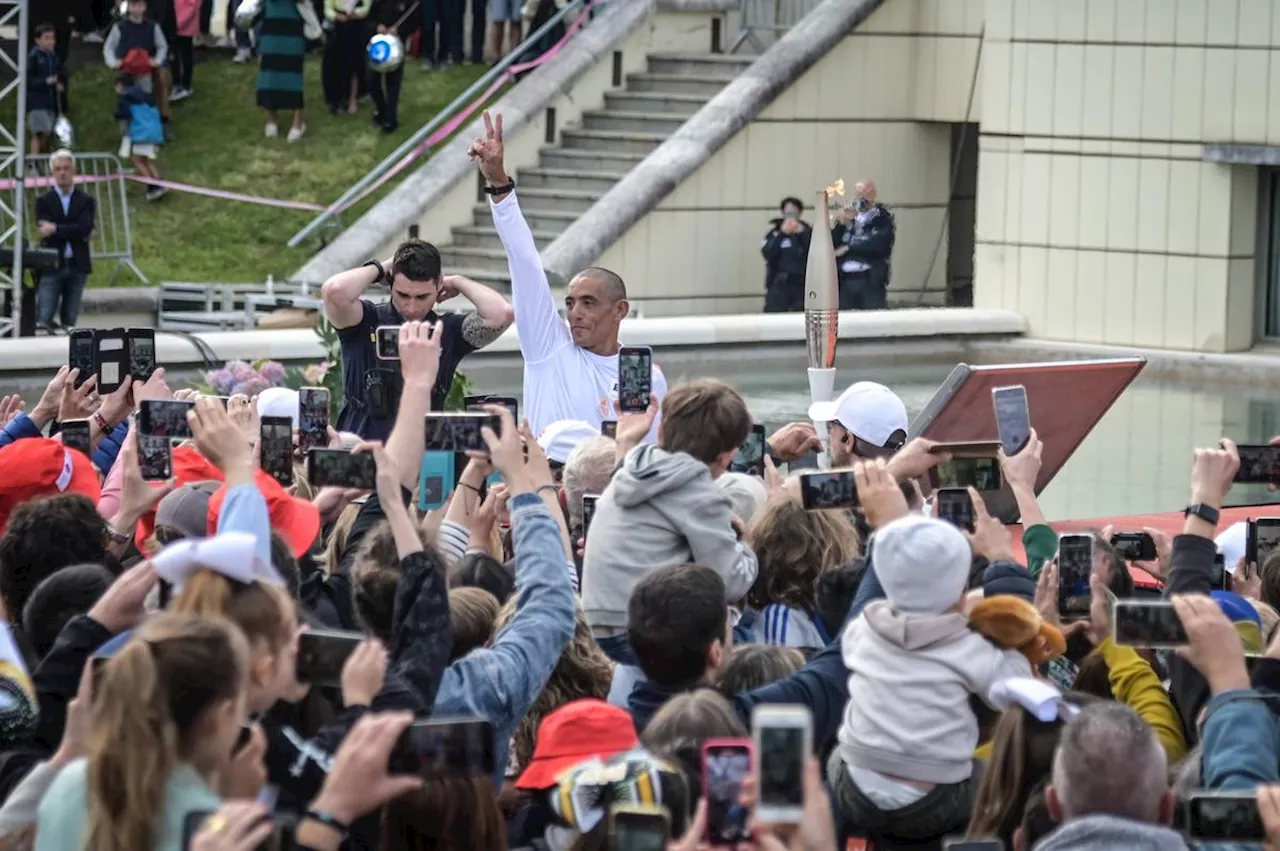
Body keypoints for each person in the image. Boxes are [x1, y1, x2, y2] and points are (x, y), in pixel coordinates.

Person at [469, 111, 668, 439]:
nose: (575, 313)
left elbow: (648, 455)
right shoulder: (548, 343)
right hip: (546, 486)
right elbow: (524, 262)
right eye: (571, 303)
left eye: (589, 303)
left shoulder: (647, 377)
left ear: (620, 310)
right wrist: (499, 183)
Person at [320, 239, 513, 440]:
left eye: (422, 297)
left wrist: (458, 282)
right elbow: (334, 292)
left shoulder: (445, 331)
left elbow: (502, 315)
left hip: (422, 459)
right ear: (391, 282)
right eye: (403, 295)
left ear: (438, 285)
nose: (411, 307)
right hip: (360, 455)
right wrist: (382, 268)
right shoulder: (365, 321)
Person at [34, 150, 97, 332]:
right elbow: (45, 230)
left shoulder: (86, 200)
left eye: (66, 168)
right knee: (44, 315)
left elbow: (85, 228)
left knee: (70, 319)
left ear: (73, 171)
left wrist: (56, 228)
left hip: (78, 264)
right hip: (53, 264)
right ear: (53, 173)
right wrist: (73, 230)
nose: (62, 173)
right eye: (58, 169)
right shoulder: (44, 201)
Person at [832, 179, 895, 310]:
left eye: (864, 192)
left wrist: (849, 248)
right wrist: (840, 224)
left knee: (871, 317)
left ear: (872, 194)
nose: (861, 196)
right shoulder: (851, 219)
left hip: (869, 278)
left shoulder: (882, 218)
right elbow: (833, 246)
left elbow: (878, 244)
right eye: (858, 193)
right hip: (846, 279)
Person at [257, 0, 308, 141]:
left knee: (293, 71)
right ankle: (272, 120)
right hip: (270, 19)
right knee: (269, 71)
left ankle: (298, 123)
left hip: (293, 20)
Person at [113, 73, 168, 201]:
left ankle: (152, 186)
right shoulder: (146, 96)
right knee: (147, 159)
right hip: (155, 131)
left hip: (141, 131)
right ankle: (159, 182)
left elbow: (122, 114)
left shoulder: (125, 97)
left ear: (120, 85)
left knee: (136, 159)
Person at [368, 0, 418, 132]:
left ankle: (390, 119)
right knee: (372, 81)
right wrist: (377, 27)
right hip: (378, 45)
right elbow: (369, 17)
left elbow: (415, 23)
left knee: (393, 85)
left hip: (396, 45)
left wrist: (400, 30)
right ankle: (381, 110)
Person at [761, 196, 811, 313]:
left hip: (801, 283)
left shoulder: (807, 231)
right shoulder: (774, 233)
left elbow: (813, 252)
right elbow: (767, 253)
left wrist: (802, 234)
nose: (790, 213)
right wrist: (781, 234)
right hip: (778, 282)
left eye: (794, 209)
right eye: (787, 210)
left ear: (800, 212)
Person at [322, 0, 370, 115]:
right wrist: (336, 16)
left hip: (356, 26)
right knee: (335, 65)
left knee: (354, 65)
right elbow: (327, 9)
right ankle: (337, 100)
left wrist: (357, 13)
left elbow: (366, 7)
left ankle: (353, 99)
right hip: (337, 27)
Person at [27, 25, 64, 158]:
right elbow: (27, 80)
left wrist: (57, 83)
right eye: (46, 38)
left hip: (50, 101)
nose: (50, 41)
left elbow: (57, 74)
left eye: (52, 38)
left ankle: (43, 160)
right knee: (39, 132)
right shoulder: (33, 56)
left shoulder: (53, 56)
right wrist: (45, 81)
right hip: (36, 101)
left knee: (48, 133)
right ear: (38, 40)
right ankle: (33, 161)